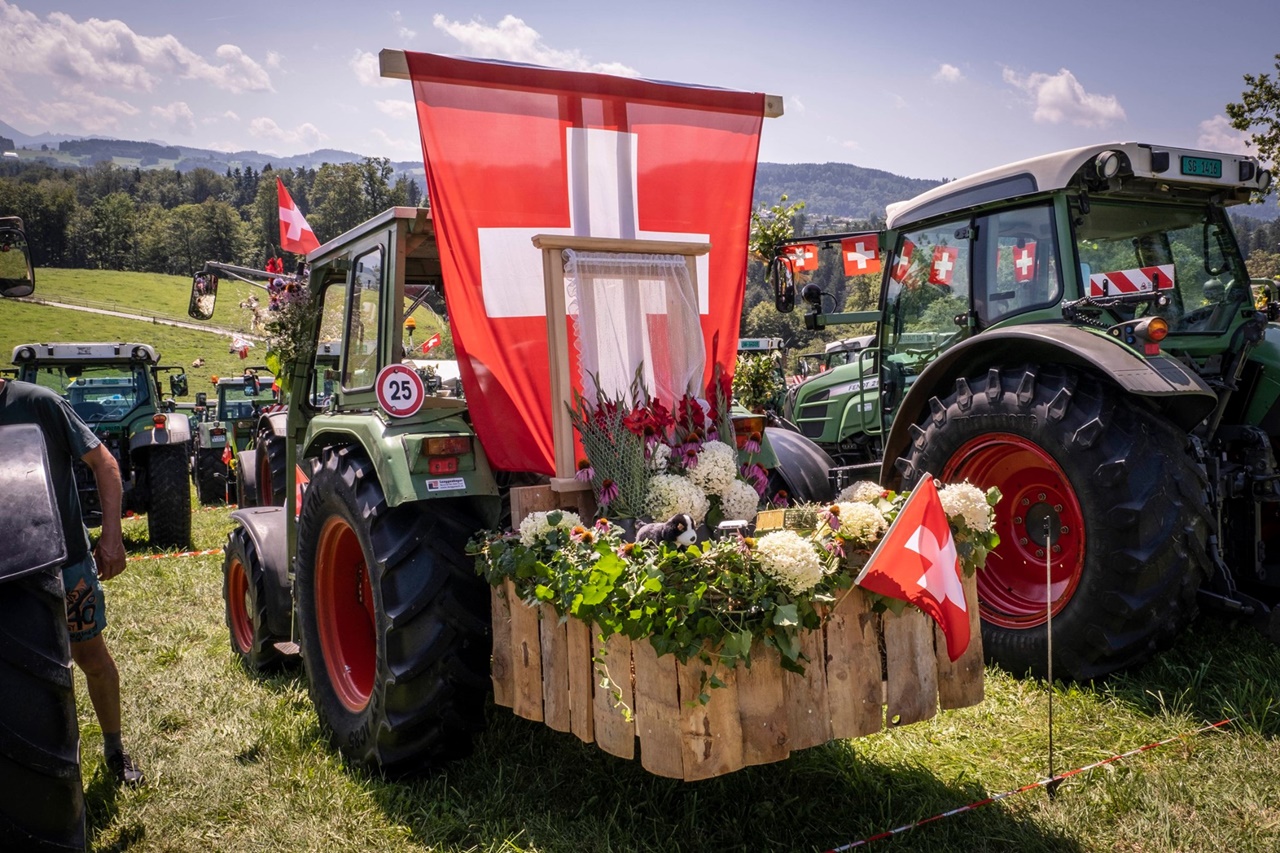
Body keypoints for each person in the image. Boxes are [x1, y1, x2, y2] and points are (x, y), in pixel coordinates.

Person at [0, 376, 145, 787]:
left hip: (63, 562)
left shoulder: (38, 403)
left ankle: (115, 751)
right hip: (7, 572)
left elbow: (104, 463)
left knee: (91, 659)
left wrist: (112, 537)